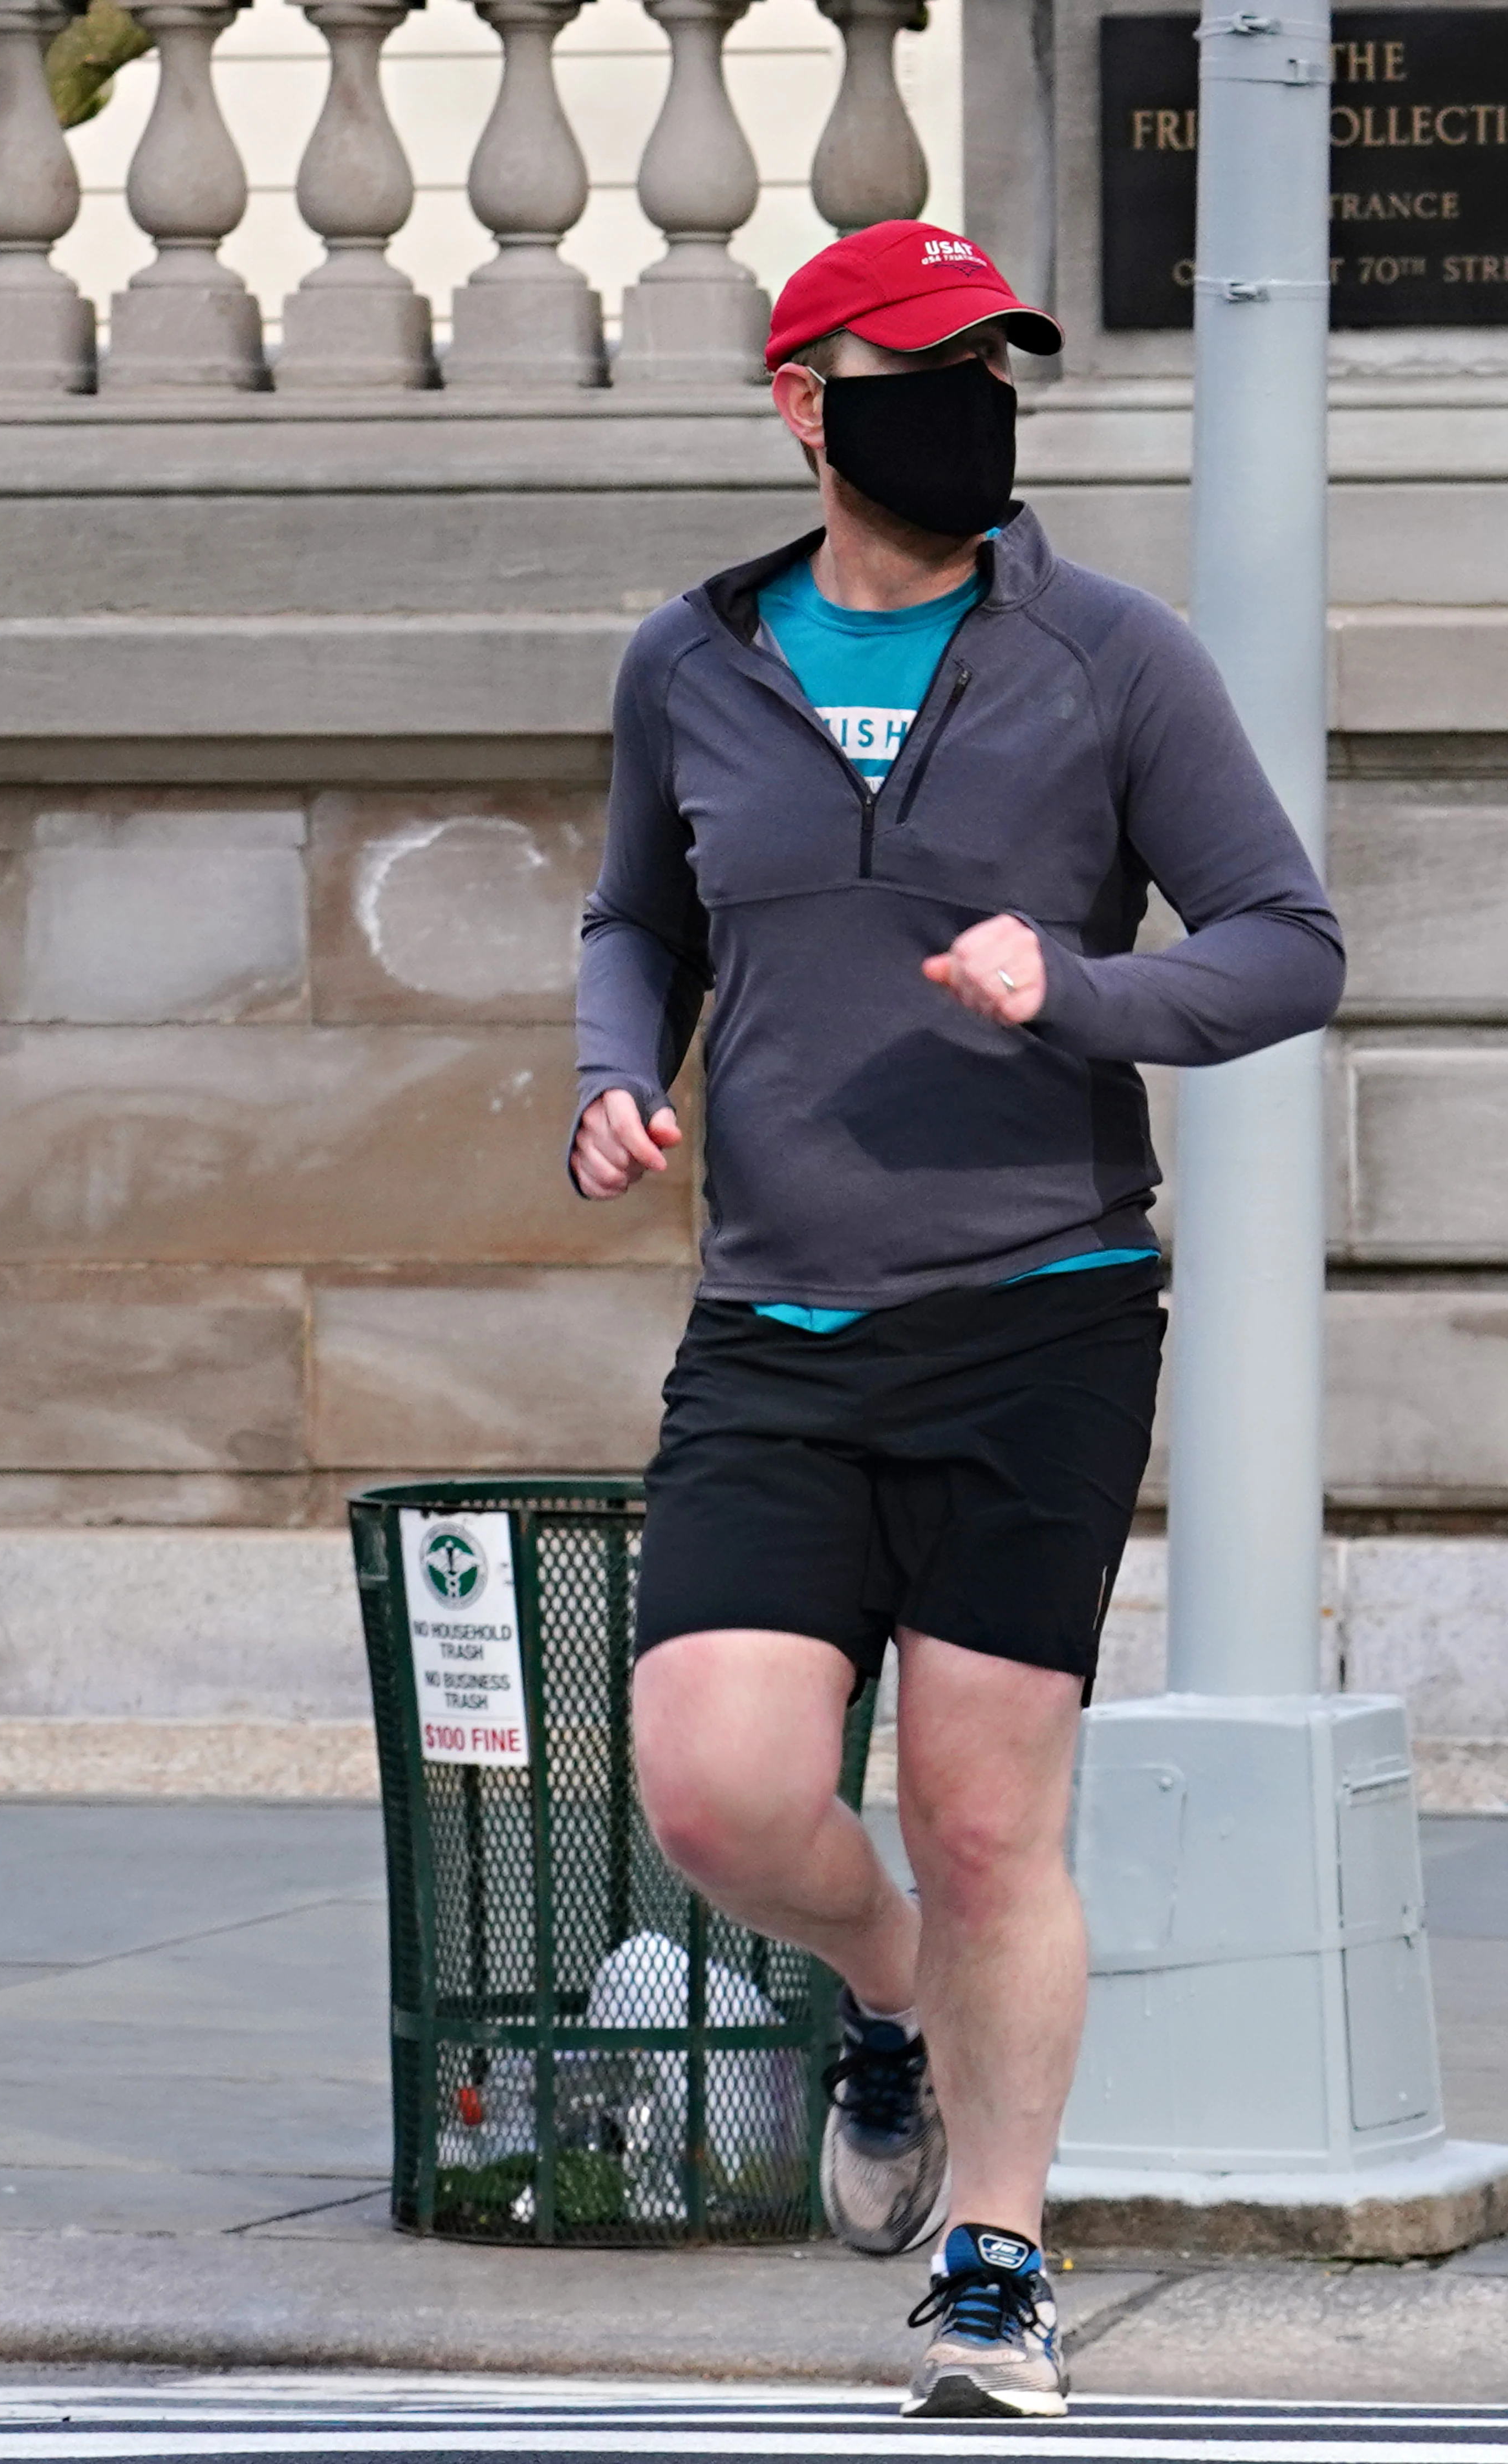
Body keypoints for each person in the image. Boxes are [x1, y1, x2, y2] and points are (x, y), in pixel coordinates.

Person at [567, 218, 1343, 2419]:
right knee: (717, 1794)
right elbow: (637, 913)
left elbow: (1286, 941)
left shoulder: (1106, 655)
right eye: (920, 372)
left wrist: (1073, 988)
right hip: (774, 1318)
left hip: (1043, 1308)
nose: (969, 411)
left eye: (997, 372)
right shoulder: (689, 659)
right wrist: (612, 1075)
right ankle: (885, 1985)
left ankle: (996, 2258)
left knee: (988, 1809)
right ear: (804, 401)